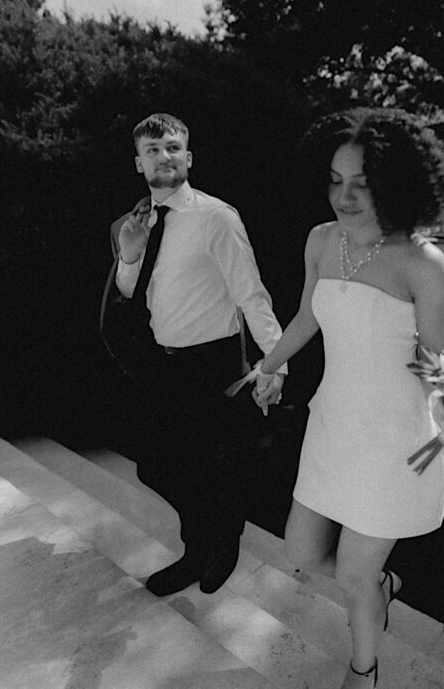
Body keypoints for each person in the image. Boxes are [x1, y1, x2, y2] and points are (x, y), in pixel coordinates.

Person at [252, 107, 444, 688]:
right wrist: (265, 365)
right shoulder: (321, 240)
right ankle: (381, 587)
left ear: (397, 186)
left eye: (362, 184)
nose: (344, 197)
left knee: (351, 578)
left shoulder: (424, 263)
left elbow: (433, 362)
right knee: (298, 553)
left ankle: (362, 668)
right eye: (335, 181)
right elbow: (304, 317)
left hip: (394, 440)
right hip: (333, 426)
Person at [111, 112, 286, 596]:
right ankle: (201, 544)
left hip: (214, 363)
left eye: (171, 147)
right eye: (152, 150)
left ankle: (219, 543)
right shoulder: (134, 223)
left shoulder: (217, 217)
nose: (163, 157)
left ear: (187, 157)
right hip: (164, 362)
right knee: (160, 466)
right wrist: (129, 254)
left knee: (212, 464)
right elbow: (127, 293)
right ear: (139, 164)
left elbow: (252, 295)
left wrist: (276, 362)